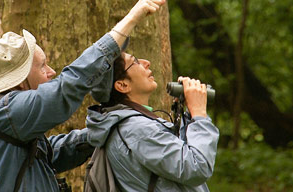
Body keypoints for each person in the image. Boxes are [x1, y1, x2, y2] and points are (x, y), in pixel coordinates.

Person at [0, 0, 170, 191]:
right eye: (42, 66)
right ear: (21, 77)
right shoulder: (9, 110)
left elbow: (45, 155)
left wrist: (95, 135)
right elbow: (68, 86)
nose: (51, 72)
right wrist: (129, 21)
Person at [85, 54, 220, 189]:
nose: (147, 62)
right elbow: (197, 167)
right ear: (123, 85)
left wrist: (190, 115)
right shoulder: (137, 129)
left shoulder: (128, 125)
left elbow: (180, 160)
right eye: (135, 61)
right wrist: (199, 113)